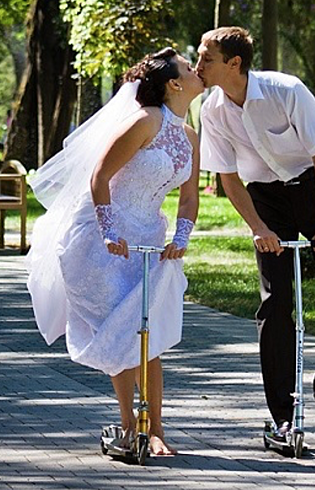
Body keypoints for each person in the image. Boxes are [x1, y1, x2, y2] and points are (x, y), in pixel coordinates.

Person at [26, 47, 203, 454]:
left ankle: (156, 429)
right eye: (189, 68)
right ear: (174, 83)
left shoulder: (190, 136)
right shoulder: (144, 122)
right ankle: (130, 426)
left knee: (148, 334)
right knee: (124, 335)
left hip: (149, 240)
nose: (196, 72)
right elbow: (100, 175)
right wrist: (108, 231)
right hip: (101, 242)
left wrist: (181, 236)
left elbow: (189, 196)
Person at [195, 27, 315, 437]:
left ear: (234, 64)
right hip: (265, 198)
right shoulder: (211, 111)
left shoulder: (287, 90)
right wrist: (258, 227)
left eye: (206, 59)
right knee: (274, 304)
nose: (198, 66)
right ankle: (283, 413)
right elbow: (228, 177)